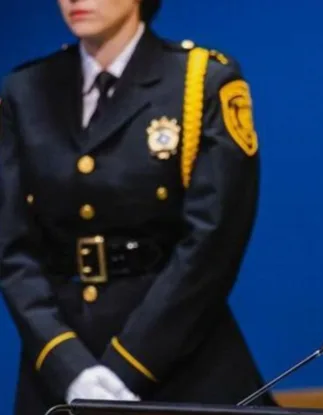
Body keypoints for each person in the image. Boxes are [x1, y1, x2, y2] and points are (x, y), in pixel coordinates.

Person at [0, 0, 273, 413]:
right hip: (60, 367)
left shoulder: (199, 80)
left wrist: (125, 368)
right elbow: (11, 248)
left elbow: (213, 242)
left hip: (177, 362)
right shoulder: (25, 90)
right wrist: (69, 365)